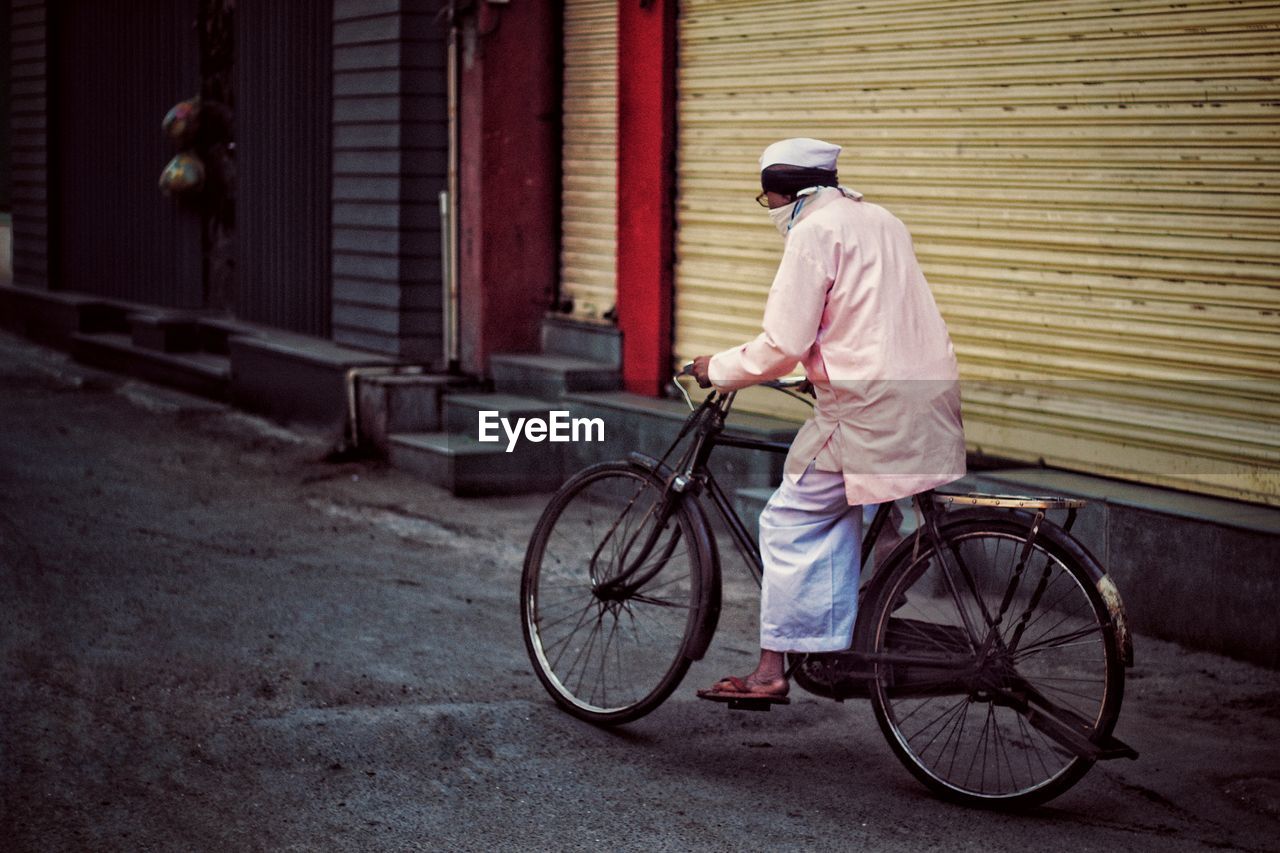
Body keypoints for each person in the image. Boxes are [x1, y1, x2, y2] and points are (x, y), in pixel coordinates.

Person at [690, 137, 965, 703]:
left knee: (791, 522)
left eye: (767, 200)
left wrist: (713, 368)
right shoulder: (882, 219)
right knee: (870, 515)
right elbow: (868, 318)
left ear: (784, 192)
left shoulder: (813, 232)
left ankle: (770, 672)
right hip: (927, 397)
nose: (770, 212)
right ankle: (862, 623)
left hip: (867, 411)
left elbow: (782, 343)